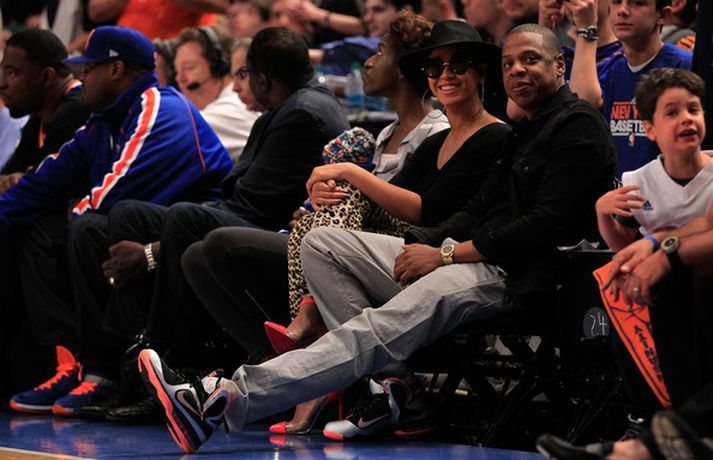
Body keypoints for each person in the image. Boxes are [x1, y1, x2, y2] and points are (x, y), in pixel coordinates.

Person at [139, 23, 615, 454]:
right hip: (467, 255)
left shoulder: (575, 126)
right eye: (509, 62)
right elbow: (475, 212)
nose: (517, 70)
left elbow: (545, 226)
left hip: (513, 276)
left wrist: (445, 255)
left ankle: (223, 398)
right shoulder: (521, 130)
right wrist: (421, 245)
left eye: (530, 59)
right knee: (322, 242)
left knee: (373, 327)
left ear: (560, 65)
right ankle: (390, 387)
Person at [67, 26, 349, 421]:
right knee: (125, 215)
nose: (238, 84)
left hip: (284, 235)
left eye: (243, 74)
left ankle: (170, 368)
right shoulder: (293, 106)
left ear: (263, 79)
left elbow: (255, 210)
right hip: (259, 220)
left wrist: (152, 253)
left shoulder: (302, 113)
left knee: (184, 218)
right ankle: (123, 368)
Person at [266, 18, 507, 436]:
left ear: (481, 72)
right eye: (435, 67)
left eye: (458, 65)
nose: (446, 75)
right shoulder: (437, 142)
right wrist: (328, 191)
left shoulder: (495, 137)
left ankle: (320, 333)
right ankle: (391, 383)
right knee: (325, 221)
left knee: (335, 213)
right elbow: (389, 196)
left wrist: (348, 172)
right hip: (410, 247)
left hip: (450, 258)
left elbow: (425, 210)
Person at [6, 25, 233, 416]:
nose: (81, 78)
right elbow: (46, 181)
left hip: (195, 232)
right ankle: (86, 369)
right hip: (147, 229)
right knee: (41, 225)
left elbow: (112, 195)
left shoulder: (160, 107)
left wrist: (72, 212)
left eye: (89, 68)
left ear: (116, 69)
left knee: (91, 225)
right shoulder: (103, 121)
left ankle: (119, 373)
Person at [568, 0, 692, 178]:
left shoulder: (683, 66)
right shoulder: (614, 70)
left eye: (637, 3)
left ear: (663, 15)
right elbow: (582, 109)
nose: (623, 11)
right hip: (622, 190)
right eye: (617, 2)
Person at [0, 29, 89, 191]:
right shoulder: (41, 113)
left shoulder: (76, 110)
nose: (2, 84)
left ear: (47, 76)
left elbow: (38, 191)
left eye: (11, 73)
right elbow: (8, 175)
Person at [173, 26, 260, 161]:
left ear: (218, 67)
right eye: (177, 71)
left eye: (189, 68)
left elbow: (175, 133)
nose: (180, 79)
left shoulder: (233, 107)